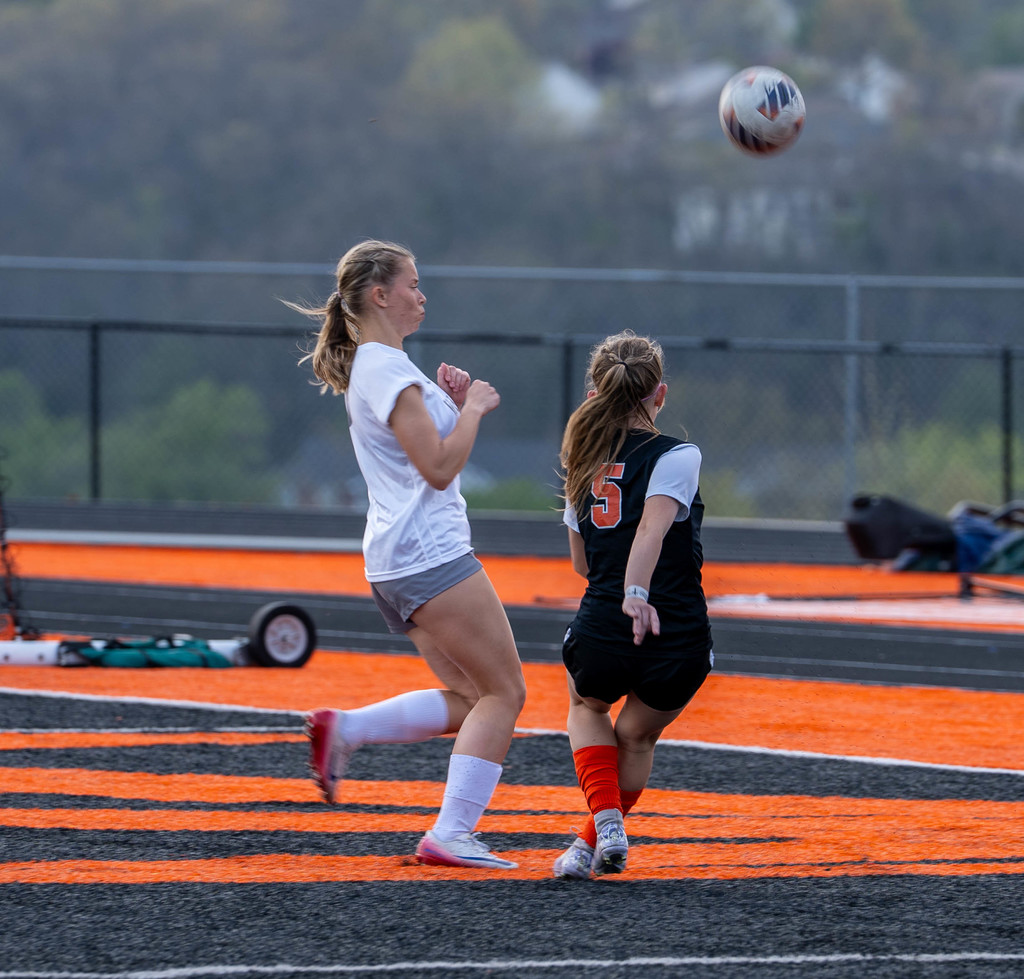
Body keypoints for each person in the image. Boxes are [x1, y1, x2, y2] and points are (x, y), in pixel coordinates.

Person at [290, 239, 526, 870]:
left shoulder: (383, 364)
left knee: (471, 696)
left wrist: (449, 399)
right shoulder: (388, 368)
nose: (422, 295)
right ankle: (452, 833)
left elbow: (422, 450)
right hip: (430, 555)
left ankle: (350, 729)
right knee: (505, 693)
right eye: (413, 284)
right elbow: (440, 468)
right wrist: (473, 408)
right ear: (380, 295)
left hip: (396, 559)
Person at [553, 330, 714, 879]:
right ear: (659, 394)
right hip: (679, 626)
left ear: (595, 394)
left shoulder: (582, 462)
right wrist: (640, 594)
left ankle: (599, 825)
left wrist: (625, 593)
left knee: (587, 708)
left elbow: (583, 563)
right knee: (638, 735)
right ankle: (594, 838)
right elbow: (652, 528)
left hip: (605, 620)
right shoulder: (679, 454)